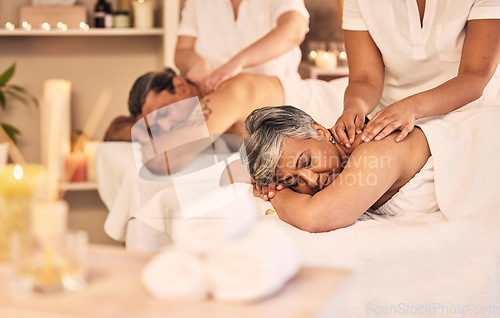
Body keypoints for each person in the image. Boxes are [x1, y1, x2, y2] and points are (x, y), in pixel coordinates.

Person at [332, 0, 500, 148]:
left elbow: (475, 75)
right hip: (389, 122)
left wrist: (411, 107)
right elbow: (365, 78)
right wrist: (355, 107)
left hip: (468, 114)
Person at [112, 67, 344, 173]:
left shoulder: (228, 94)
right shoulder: (212, 124)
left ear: (180, 85)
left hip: (348, 104)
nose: (164, 127)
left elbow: (160, 159)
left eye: (162, 113)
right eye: (155, 127)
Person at [175, 0, 309, 94]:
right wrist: (198, 63)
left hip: (276, 101)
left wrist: (237, 63)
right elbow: (181, 51)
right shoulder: (197, 2)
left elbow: (294, 30)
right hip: (217, 98)